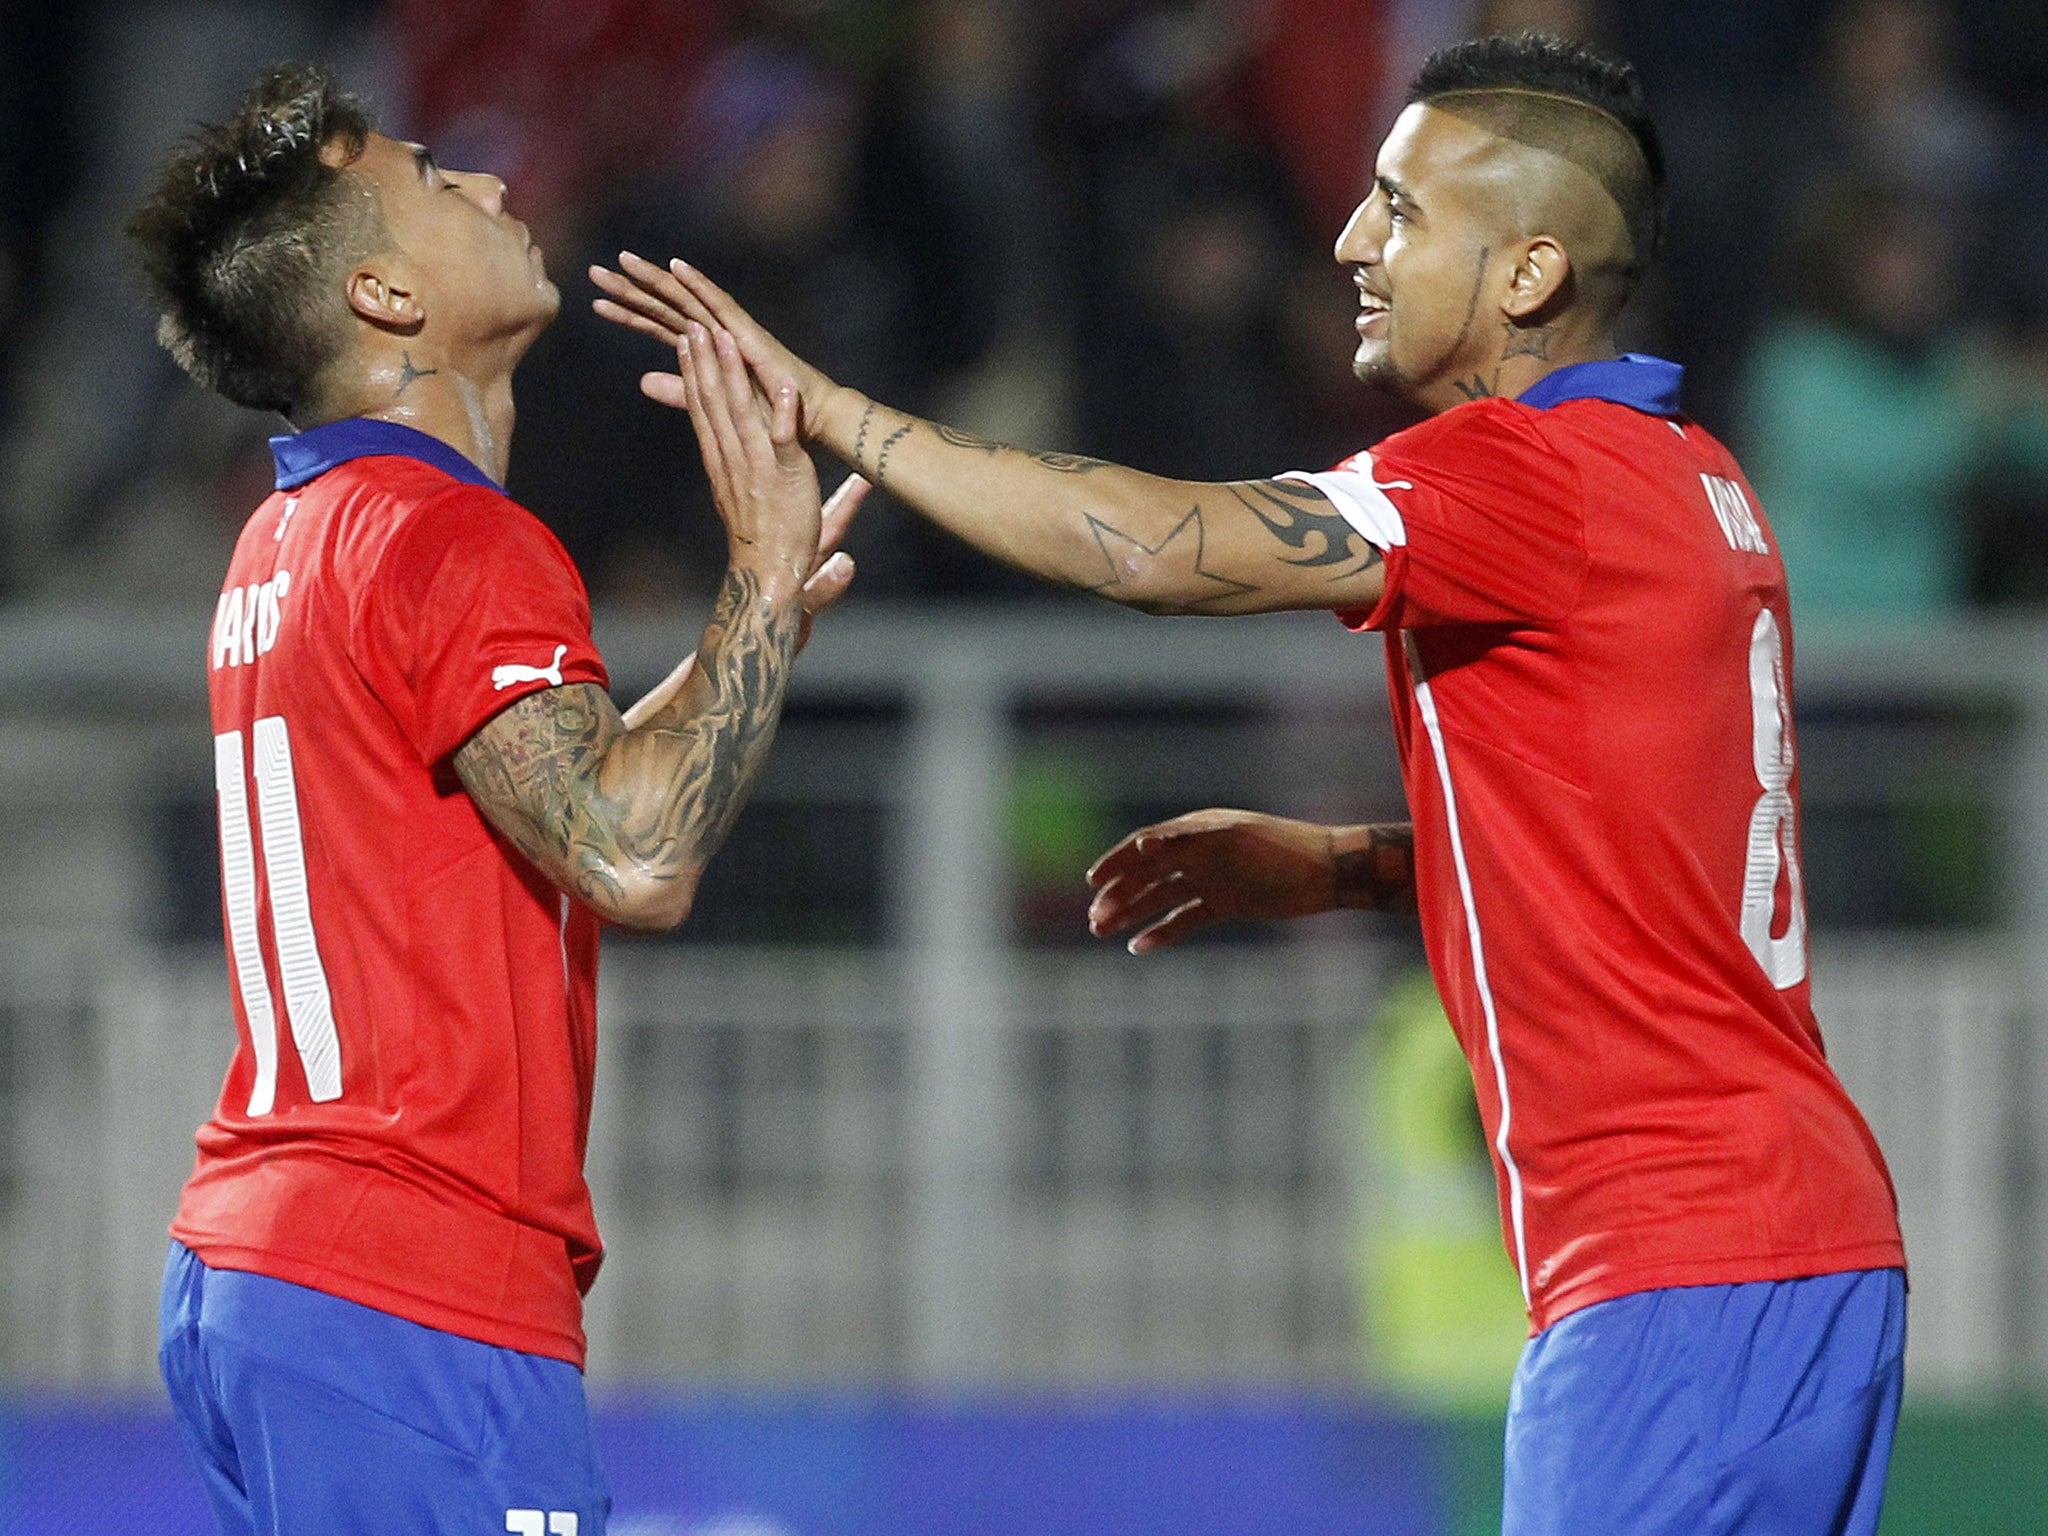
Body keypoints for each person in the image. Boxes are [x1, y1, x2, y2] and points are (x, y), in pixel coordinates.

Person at [594, 32, 1908, 1536]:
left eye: (1402, 212)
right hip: (1806, 1246)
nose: (1350, 242)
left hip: (1677, 1273)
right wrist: (1352, 863)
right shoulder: (1696, 479)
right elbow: (1652, 855)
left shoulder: (1517, 474)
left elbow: (1154, 548)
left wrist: (840, 413)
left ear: (1530, 271)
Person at [127, 64, 863, 1534]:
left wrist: (754, 626)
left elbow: (530, 799)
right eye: (437, 185)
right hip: (408, 1290)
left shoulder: (293, 536)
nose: (491, 187)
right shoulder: (452, 537)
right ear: (385, 297)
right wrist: (763, 585)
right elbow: (636, 853)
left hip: (262, 1275)